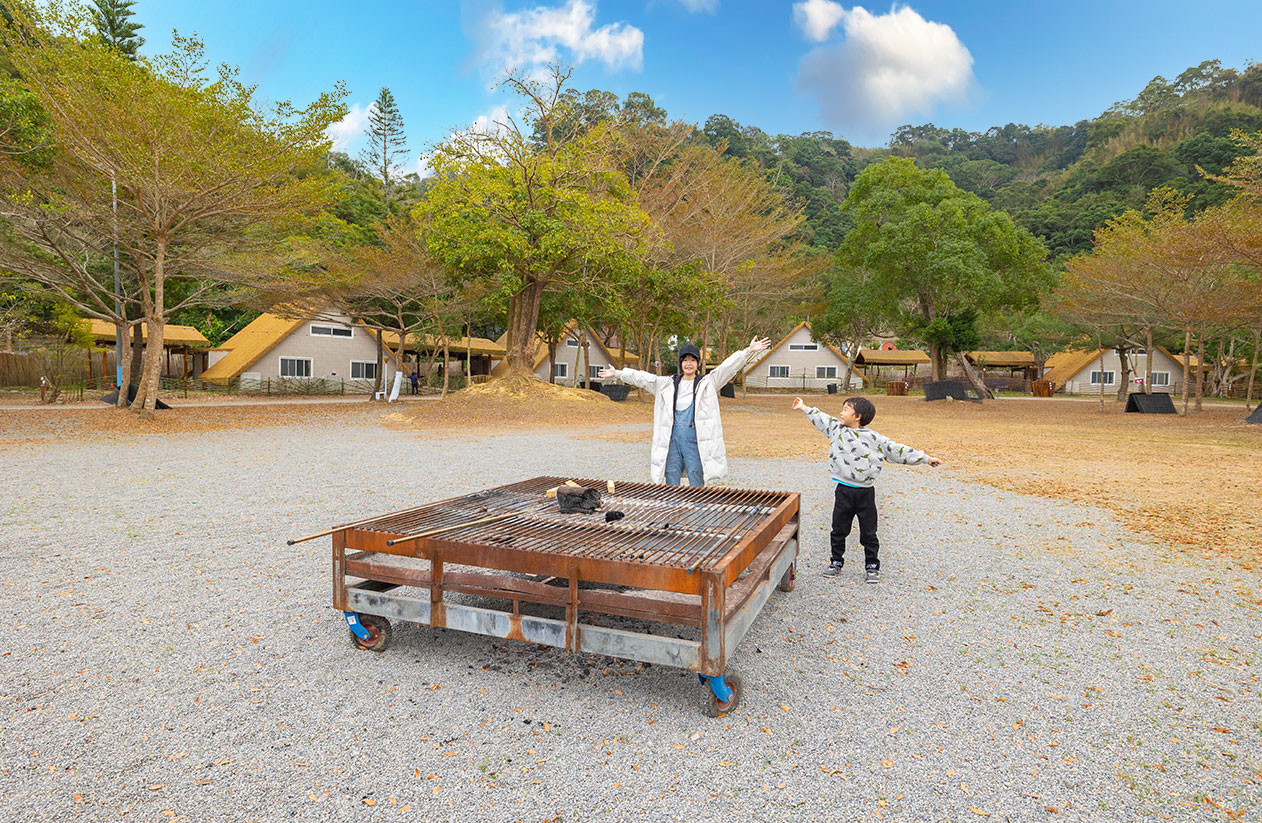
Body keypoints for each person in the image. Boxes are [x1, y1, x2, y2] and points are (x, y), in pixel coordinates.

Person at [792, 395, 942, 583]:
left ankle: (872, 566)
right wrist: (804, 407)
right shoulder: (837, 430)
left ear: (858, 416)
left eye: (846, 409)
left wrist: (926, 459)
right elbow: (822, 418)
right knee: (838, 529)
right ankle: (836, 562)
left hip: (865, 494)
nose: (841, 412)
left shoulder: (874, 438)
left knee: (869, 532)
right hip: (843, 491)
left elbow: (897, 450)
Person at [599, 337, 770, 486]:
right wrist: (618, 373)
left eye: (693, 360)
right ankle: (672, 516)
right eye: (685, 360)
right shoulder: (666, 383)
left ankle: (698, 517)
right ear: (680, 363)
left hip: (695, 441)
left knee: (696, 475)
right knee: (671, 477)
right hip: (672, 440)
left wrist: (747, 351)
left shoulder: (708, 383)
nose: (689, 363)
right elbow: (643, 378)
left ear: (698, 363)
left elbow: (727, 367)